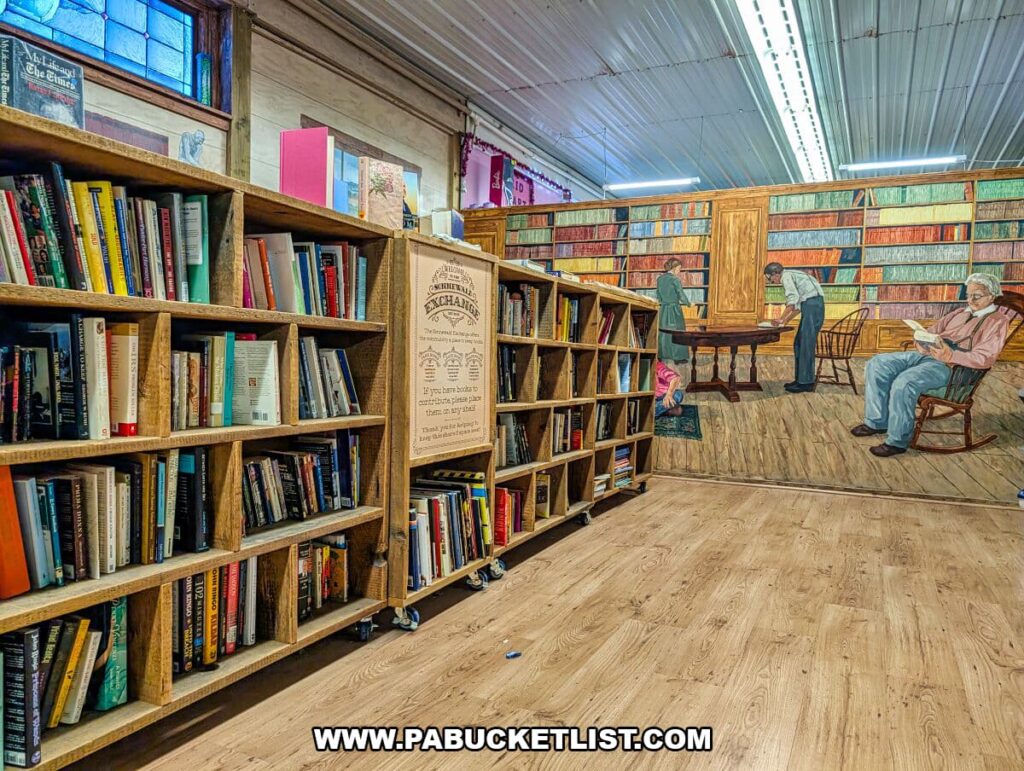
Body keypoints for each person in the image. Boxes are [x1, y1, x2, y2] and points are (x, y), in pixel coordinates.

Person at [850, 273, 1010, 457]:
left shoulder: (997, 321)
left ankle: (897, 441)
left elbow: (985, 358)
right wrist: (922, 339)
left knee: (905, 382)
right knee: (877, 363)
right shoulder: (960, 312)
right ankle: (876, 422)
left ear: (992, 295)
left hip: (954, 368)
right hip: (930, 354)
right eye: (968, 294)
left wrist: (951, 354)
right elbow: (934, 331)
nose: (971, 299)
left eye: (977, 295)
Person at [764, 262, 825, 393]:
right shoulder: (793, 275)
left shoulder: (786, 277)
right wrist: (784, 321)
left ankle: (806, 383)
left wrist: (780, 318)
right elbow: (797, 307)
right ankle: (800, 379)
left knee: (805, 344)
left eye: (770, 278)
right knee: (799, 343)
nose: (772, 282)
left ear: (775, 274)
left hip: (812, 307)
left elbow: (792, 301)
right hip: (812, 305)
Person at [657, 258, 691, 367]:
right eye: (679, 269)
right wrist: (688, 303)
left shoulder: (660, 279)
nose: (679, 271)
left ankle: (661, 355)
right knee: (678, 332)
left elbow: (658, 295)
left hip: (663, 309)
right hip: (674, 310)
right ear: (675, 268)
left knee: (663, 333)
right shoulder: (675, 280)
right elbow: (681, 294)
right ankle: (678, 358)